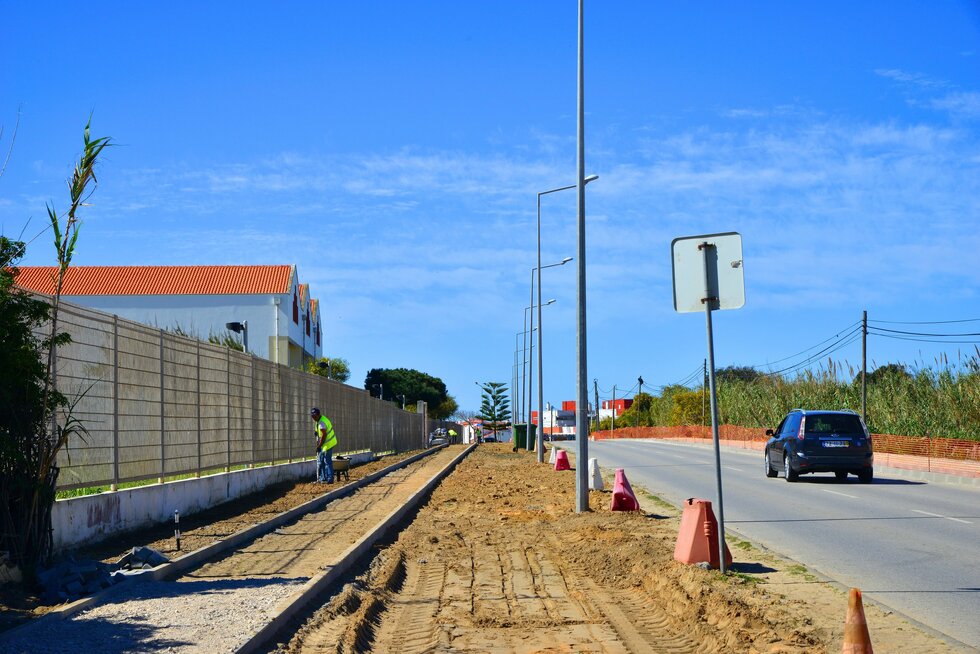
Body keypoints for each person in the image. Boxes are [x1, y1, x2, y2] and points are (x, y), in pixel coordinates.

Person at [311, 407, 338, 483]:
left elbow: (324, 435)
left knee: (327, 460)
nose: (313, 418)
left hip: (328, 444)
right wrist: (316, 433)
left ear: (318, 415)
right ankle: (323, 478)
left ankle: (330, 479)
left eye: (315, 416)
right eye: (312, 416)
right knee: (322, 460)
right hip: (325, 444)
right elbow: (319, 433)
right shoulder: (318, 420)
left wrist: (319, 446)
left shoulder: (322, 422)